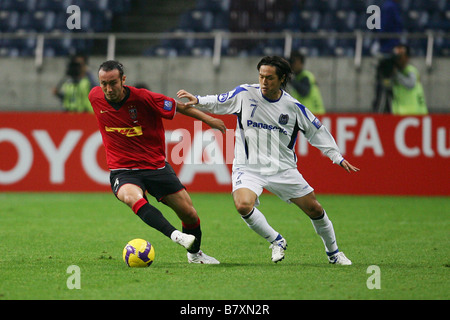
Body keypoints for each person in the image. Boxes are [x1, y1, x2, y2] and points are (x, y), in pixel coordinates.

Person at [177, 56, 359, 265]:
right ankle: (276, 240)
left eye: (269, 78)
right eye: (261, 76)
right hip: (248, 167)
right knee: (243, 205)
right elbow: (220, 101)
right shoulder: (246, 94)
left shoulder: (292, 107)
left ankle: (334, 253)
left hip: (282, 168)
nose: (264, 82)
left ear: (282, 79)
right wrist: (198, 100)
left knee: (315, 209)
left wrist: (336, 156)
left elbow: (317, 131)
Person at [89, 60, 226, 264]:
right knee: (131, 197)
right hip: (123, 170)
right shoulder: (94, 96)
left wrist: (209, 120)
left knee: (189, 214)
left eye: (113, 83)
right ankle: (176, 236)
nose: (108, 89)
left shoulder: (143, 98)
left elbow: (179, 107)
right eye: (103, 83)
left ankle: (195, 255)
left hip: (155, 166)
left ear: (123, 80)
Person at [390, 44, 428, 115]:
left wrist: (396, 74)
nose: (397, 59)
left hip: (415, 113)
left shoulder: (411, 70)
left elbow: (410, 84)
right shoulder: (394, 72)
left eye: (400, 56)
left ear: (407, 58)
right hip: (400, 113)